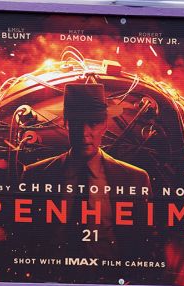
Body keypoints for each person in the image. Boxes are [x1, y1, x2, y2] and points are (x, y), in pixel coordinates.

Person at [23, 82, 151, 253]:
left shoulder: (136, 179)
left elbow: (142, 241)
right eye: (77, 123)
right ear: (66, 125)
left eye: (93, 123)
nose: (84, 132)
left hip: (110, 276)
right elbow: (26, 239)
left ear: (104, 125)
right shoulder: (35, 176)